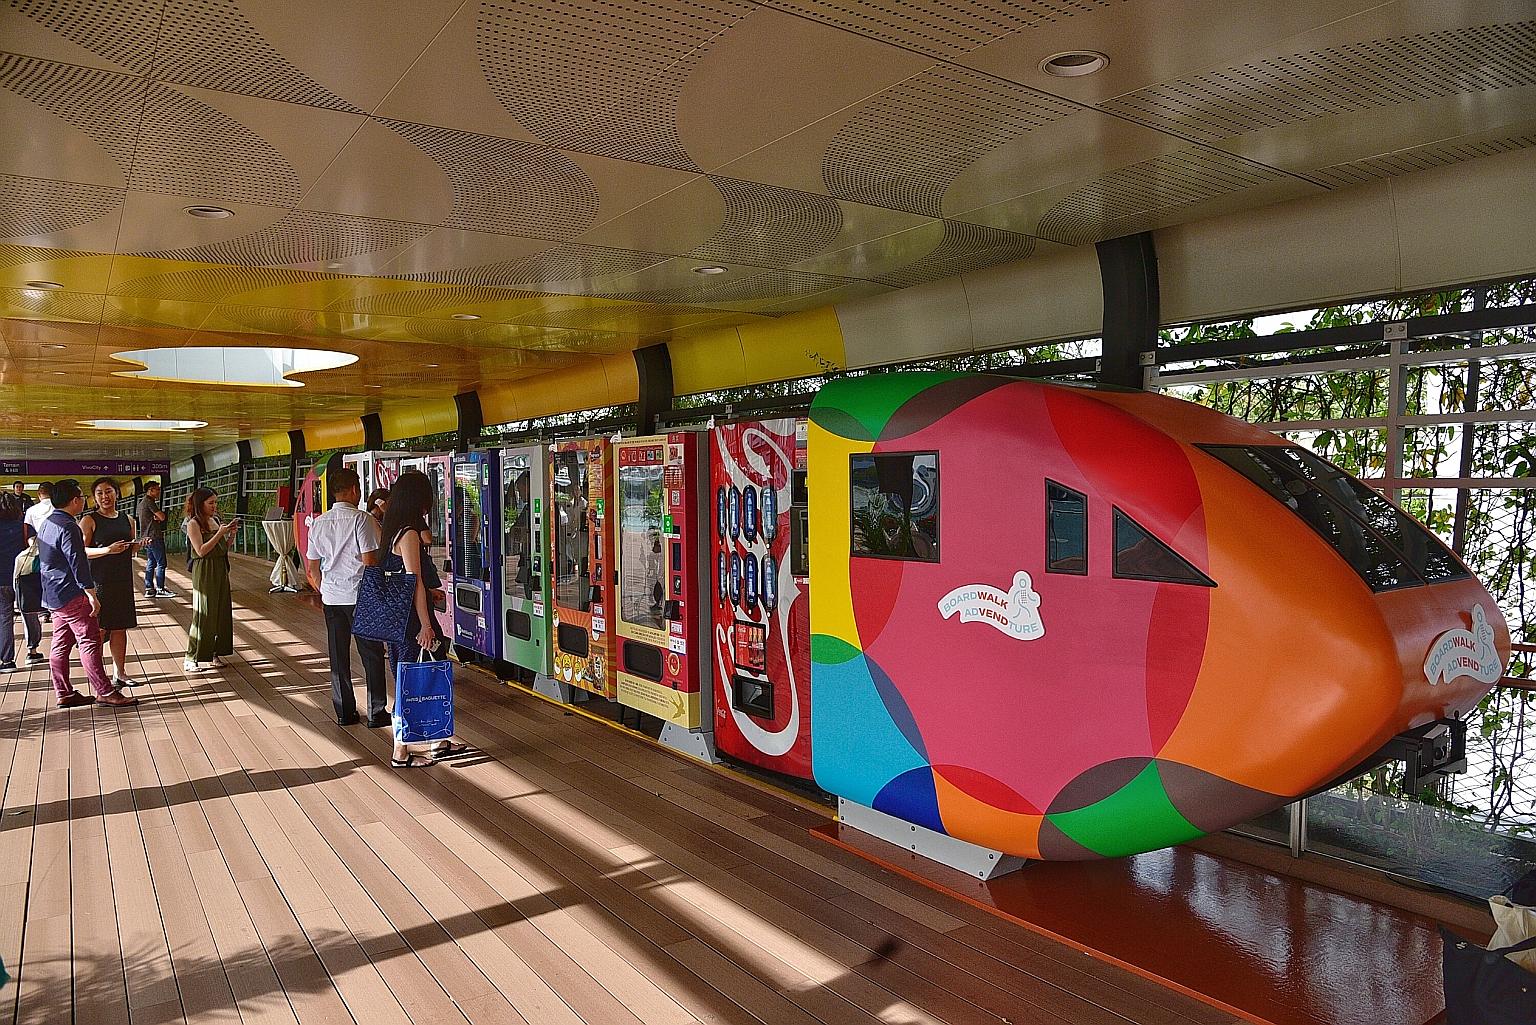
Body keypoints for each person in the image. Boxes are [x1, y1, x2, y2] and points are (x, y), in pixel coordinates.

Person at [380, 471, 467, 768]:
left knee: (416, 674)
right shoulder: (409, 534)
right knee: (415, 678)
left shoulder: (392, 531)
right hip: (412, 623)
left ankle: (438, 739)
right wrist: (426, 625)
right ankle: (401, 750)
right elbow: (413, 581)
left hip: (398, 621)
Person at [35, 480, 136, 708]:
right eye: (82, 496)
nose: (84, 500)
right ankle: (105, 691)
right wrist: (90, 592)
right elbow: (77, 561)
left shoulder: (48, 523)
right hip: (72, 593)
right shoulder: (69, 526)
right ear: (75, 500)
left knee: (60, 644)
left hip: (53, 593)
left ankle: (64, 692)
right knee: (89, 641)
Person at [306, 467, 388, 727]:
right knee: (371, 654)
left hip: (332, 597)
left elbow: (312, 567)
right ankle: (376, 712)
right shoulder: (361, 519)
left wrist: (324, 589)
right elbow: (369, 560)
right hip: (360, 596)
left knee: (338, 655)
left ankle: (345, 712)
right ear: (354, 490)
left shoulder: (319, 523)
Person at [81, 477, 141, 690]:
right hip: (100, 580)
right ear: (94, 497)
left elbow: (131, 550)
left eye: (109, 491)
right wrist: (107, 550)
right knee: (99, 629)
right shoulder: (89, 520)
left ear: (117, 493)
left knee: (119, 628)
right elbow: (81, 551)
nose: (104, 496)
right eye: (99, 493)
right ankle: (98, 677)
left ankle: (120, 672)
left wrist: (137, 546)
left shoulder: (128, 519)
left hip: (123, 580)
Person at [183, 487, 236, 672]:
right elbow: (201, 551)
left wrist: (230, 536)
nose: (214, 506)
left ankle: (214, 652)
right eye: (210, 502)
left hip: (220, 567)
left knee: (221, 611)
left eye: (215, 502)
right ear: (201, 504)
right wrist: (220, 533)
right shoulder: (193, 524)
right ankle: (192, 656)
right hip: (205, 570)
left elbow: (221, 548)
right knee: (204, 612)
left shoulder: (216, 521)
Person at [1, 493, 42, 672]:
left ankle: (7, 661)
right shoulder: (24, 527)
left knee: (4, 617)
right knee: (29, 611)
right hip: (23, 576)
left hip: (0, 579)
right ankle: (32, 651)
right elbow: (35, 546)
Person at [136, 478, 172, 597]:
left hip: (146, 537)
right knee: (161, 563)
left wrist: (155, 517)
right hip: (154, 536)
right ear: (150, 490)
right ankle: (160, 588)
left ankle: (149, 589)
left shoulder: (141, 503)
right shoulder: (150, 502)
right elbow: (161, 517)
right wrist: (158, 517)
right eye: (157, 490)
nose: (159, 492)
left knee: (151, 562)